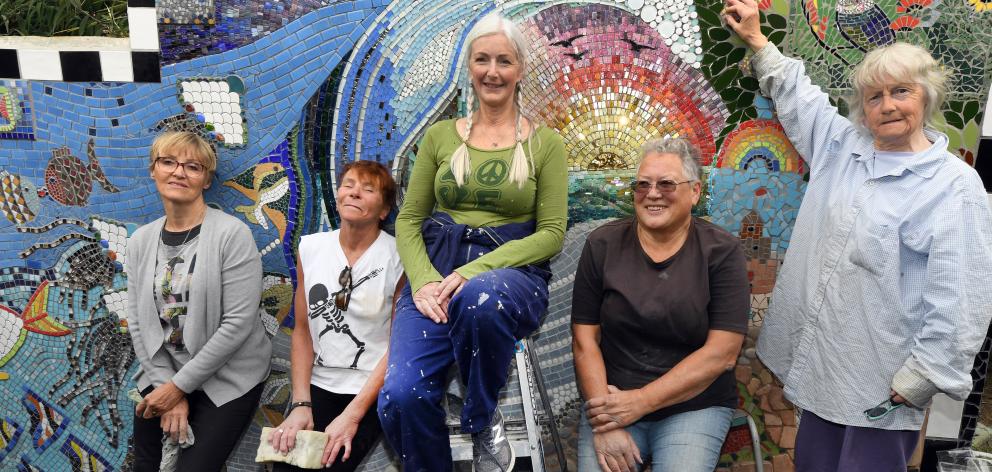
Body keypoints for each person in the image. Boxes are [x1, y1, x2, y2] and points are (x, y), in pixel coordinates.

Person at [723, 0, 992, 469]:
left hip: (885, 378)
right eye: (874, 96)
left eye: (901, 91)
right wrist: (757, 41)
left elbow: (963, 296)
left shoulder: (953, 184)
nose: (887, 105)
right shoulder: (844, 147)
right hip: (823, 364)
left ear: (926, 97)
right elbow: (798, 95)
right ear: (862, 108)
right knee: (812, 464)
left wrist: (923, 377)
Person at [376, 13, 568, 472]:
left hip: (510, 277)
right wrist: (422, 281)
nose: (492, 71)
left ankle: (480, 418)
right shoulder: (440, 137)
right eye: (482, 60)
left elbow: (553, 234)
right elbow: (409, 220)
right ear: (470, 67)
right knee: (402, 396)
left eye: (504, 60)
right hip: (437, 274)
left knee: (481, 299)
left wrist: (474, 271)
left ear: (520, 69)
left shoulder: (546, 145)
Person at [571, 138, 750, 472]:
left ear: (695, 192)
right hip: (612, 403)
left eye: (667, 184)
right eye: (642, 184)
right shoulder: (602, 245)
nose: (652, 194)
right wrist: (606, 422)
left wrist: (640, 402)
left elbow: (722, 354)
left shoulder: (721, 252)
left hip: (694, 406)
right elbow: (584, 340)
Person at [127, 131, 272, 470]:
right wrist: (168, 388)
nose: (179, 172)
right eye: (168, 162)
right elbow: (138, 321)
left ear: (206, 179)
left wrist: (179, 388)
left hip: (227, 374)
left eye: (193, 167)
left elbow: (237, 324)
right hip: (164, 370)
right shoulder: (141, 241)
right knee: (144, 464)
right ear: (153, 170)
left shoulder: (231, 234)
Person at [267, 161, 405, 471]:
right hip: (316, 387)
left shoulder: (399, 257)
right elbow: (302, 331)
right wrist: (301, 405)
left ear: (384, 211)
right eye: (349, 185)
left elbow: (399, 345)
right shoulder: (311, 248)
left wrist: (353, 415)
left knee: (331, 464)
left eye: (368, 189)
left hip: (369, 392)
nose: (355, 193)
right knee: (285, 465)